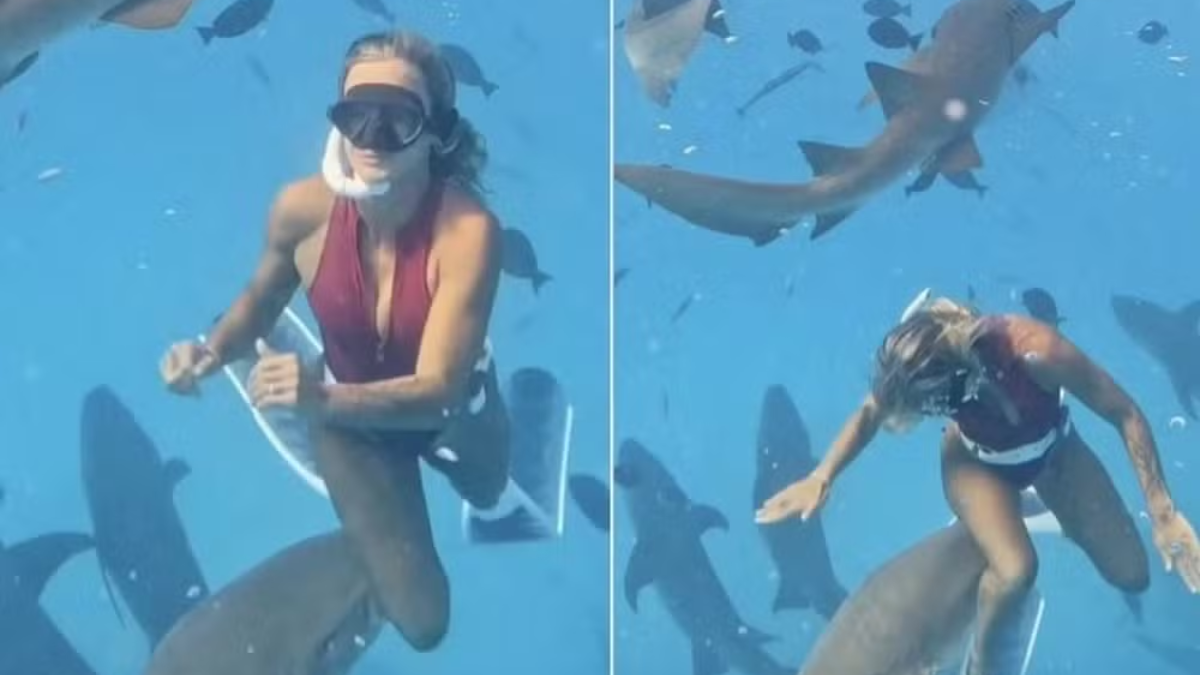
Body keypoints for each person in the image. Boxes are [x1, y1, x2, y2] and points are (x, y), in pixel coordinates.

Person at [158, 30, 515, 652]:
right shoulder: (300, 211)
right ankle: (374, 556)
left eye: (397, 119)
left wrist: (316, 398)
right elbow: (260, 302)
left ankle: (477, 390)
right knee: (425, 624)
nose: (372, 137)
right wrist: (210, 354)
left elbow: (436, 393)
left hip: (449, 408)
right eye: (357, 116)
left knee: (488, 492)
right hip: (349, 422)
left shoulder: (470, 232)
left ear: (435, 132)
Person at [755, 290, 1200, 675]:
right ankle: (984, 663)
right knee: (1015, 571)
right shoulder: (914, 367)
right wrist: (821, 476)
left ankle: (1028, 512)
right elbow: (872, 411)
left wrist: (1163, 513)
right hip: (975, 463)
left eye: (937, 403)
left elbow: (1125, 413)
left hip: (1052, 452)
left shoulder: (1036, 351)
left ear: (960, 370)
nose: (931, 411)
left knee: (1132, 574)